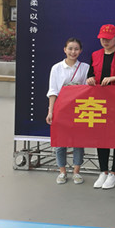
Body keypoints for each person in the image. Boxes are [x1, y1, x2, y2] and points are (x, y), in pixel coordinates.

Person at [86, 24, 115, 190]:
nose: (105, 41)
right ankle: (103, 171)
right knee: (101, 136)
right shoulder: (95, 55)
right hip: (99, 101)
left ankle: (114, 173)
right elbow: (90, 74)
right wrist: (90, 79)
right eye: (103, 38)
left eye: (109, 39)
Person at [46, 37, 90, 185]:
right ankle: (62, 172)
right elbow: (53, 91)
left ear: (80, 51)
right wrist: (51, 111)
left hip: (79, 109)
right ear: (65, 49)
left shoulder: (85, 68)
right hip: (61, 108)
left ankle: (76, 172)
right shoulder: (56, 68)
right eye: (70, 48)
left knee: (78, 141)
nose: (73, 52)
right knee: (60, 142)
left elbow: (87, 89)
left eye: (76, 49)